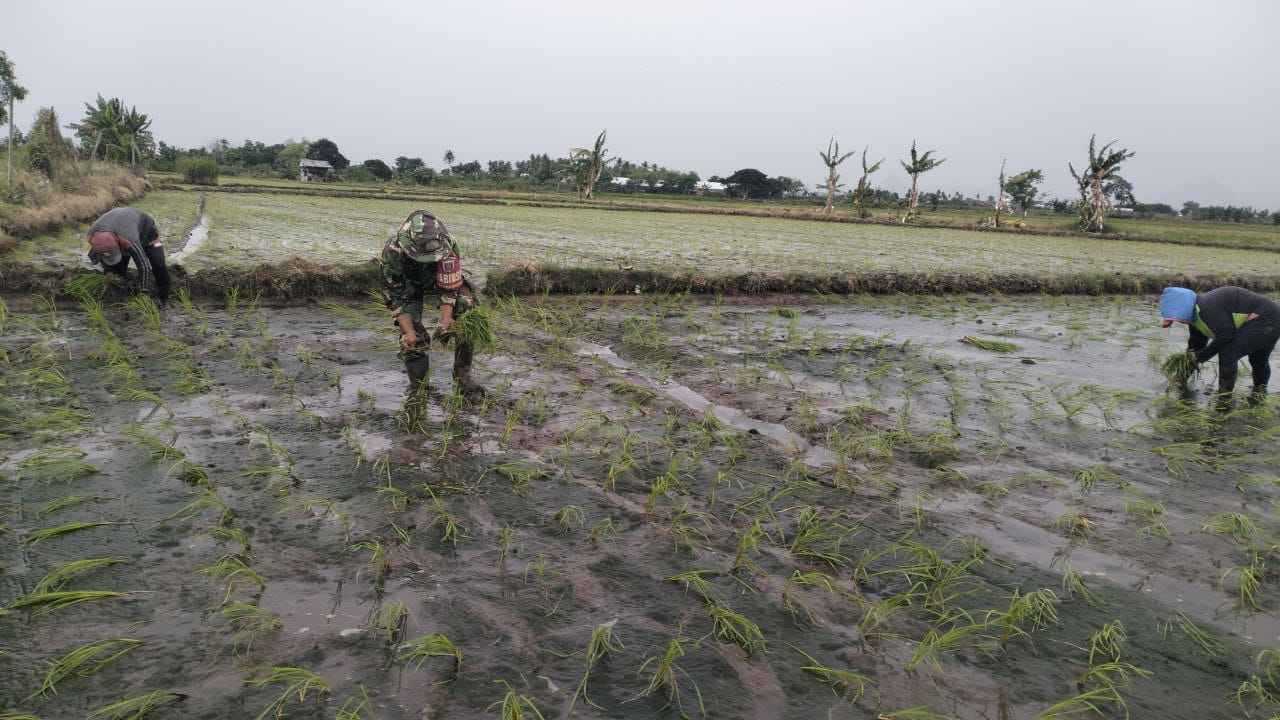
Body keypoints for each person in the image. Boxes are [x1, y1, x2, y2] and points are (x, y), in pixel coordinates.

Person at [380, 209, 483, 408]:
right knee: (412, 336)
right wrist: (409, 331)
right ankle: (419, 386)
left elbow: (450, 287)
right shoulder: (393, 251)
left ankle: (462, 376)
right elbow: (394, 296)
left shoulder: (448, 246)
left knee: (467, 309)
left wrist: (446, 320)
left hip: (437, 278)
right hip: (408, 282)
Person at [1159, 286, 1280, 404]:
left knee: (1228, 353)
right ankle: (1259, 394)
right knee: (1258, 360)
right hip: (1268, 318)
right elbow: (1195, 348)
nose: (1178, 321)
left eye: (1176, 318)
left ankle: (1224, 400)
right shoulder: (1194, 318)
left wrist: (1200, 357)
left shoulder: (1207, 308)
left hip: (1267, 318)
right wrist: (1180, 378)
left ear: (1183, 309)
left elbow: (1226, 336)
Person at [86, 206, 171, 304]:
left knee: (159, 265)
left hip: (150, 237)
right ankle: (122, 296)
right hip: (120, 233)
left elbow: (143, 266)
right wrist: (108, 274)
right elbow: (96, 255)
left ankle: (164, 298)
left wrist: (144, 292)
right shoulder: (92, 236)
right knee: (117, 270)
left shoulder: (129, 238)